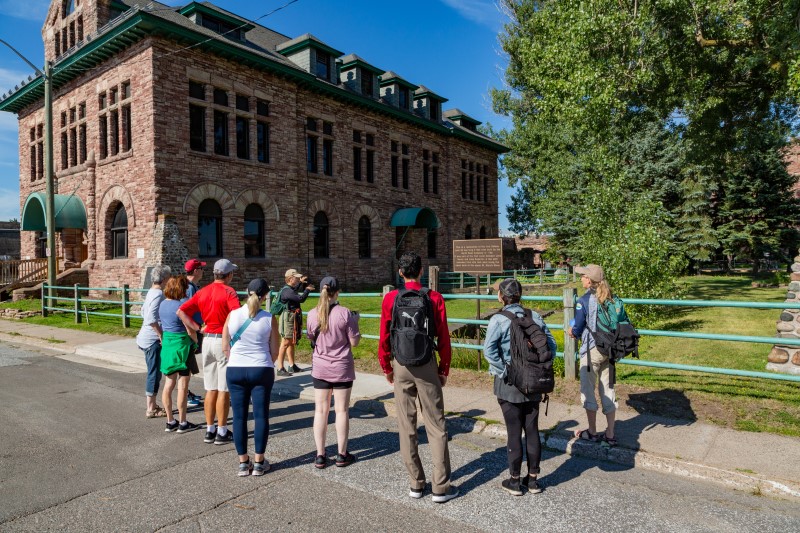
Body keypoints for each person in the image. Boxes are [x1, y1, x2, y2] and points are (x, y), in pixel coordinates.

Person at [378, 251, 457, 503]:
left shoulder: (391, 298)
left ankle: (415, 483)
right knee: (436, 425)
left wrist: (387, 367)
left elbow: (384, 337)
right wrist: (443, 368)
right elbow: (443, 337)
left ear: (400, 273)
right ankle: (440, 486)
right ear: (421, 272)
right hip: (426, 363)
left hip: (400, 363)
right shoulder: (434, 298)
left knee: (406, 426)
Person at [483, 278, 556, 495]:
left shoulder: (498, 319)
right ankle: (533, 480)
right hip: (533, 382)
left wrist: (504, 371)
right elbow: (550, 345)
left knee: (514, 432)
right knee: (532, 430)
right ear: (520, 296)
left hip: (510, 384)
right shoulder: (534, 316)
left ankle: (514, 481)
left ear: (501, 296)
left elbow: (489, 351)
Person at [178, 259, 241, 445]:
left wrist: (198, 328)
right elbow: (236, 316)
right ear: (228, 275)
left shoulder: (203, 291)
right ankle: (221, 430)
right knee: (224, 389)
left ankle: (210, 429)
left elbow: (181, 311)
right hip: (223, 340)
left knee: (210, 387)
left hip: (207, 341)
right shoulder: (229, 292)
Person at [222, 278, 280, 476]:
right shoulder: (269, 318)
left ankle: (242, 462)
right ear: (265, 296)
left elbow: (225, 347)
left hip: (236, 368)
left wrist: (236, 359)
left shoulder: (232, 315)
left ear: (247, 292)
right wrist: (265, 362)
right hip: (261, 368)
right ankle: (259, 462)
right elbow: (275, 350)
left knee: (239, 416)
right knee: (261, 415)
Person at [307, 276, 361, 469]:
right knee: (341, 410)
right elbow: (354, 342)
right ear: (337, 292)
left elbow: (310, 337)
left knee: (320, 410)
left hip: (320, 366)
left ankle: (320, 454)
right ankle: (341, 453)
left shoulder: (312, 314)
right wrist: (356, 322)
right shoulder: (345, 313)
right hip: (341, 366)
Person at [568, 264, 618, 446]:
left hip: (592, 353)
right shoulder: (611, 297)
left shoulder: (583, 301)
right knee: (609, 389)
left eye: (583, 276)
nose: (581, 278)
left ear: (589, 280)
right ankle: (611, 434)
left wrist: (571, 331)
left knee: (588, 390)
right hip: (611, 352)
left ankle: (592, 432)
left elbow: (578, 328)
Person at [159, 275, 199, 433]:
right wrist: (195, 342)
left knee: (168, 384)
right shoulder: (182, 304)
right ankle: (183, 422)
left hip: (168, 344)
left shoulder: (162, 304)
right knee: (183, 385)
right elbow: (190, 328)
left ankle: (170, 420)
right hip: (183, 345)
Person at [136, 264, 171, 419]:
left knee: (154, 372)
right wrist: (161, 334)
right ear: (164, 279)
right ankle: (151, 408)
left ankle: (153, 404)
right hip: (152, 340)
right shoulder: (158, 294)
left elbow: (144, 312)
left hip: (145, 337)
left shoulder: (151, 291)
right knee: (154, 373)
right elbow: (150, 318)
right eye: (169, 278)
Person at [275, 268, 314, 376]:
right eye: (296, 278)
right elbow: (300, 298)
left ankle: (292, 366)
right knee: (285, 342)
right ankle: (280, 368)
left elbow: (294, 292)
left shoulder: (289, 289)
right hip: (288, 319)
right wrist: (308, 290)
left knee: (291, 341)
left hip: (291, 317)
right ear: (290, 278)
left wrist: (301, 283)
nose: (297, 279)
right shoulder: (287, 291)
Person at [184, 258, 206, 407]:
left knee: (189, 363)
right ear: (196, 271)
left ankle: (186, 392)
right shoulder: (190, 288)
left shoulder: (191, 285)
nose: (203, 271)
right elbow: (189, 309)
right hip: (192, 328)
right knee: (188, 363)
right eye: (202, 269)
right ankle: (185, 394)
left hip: (194, 326)